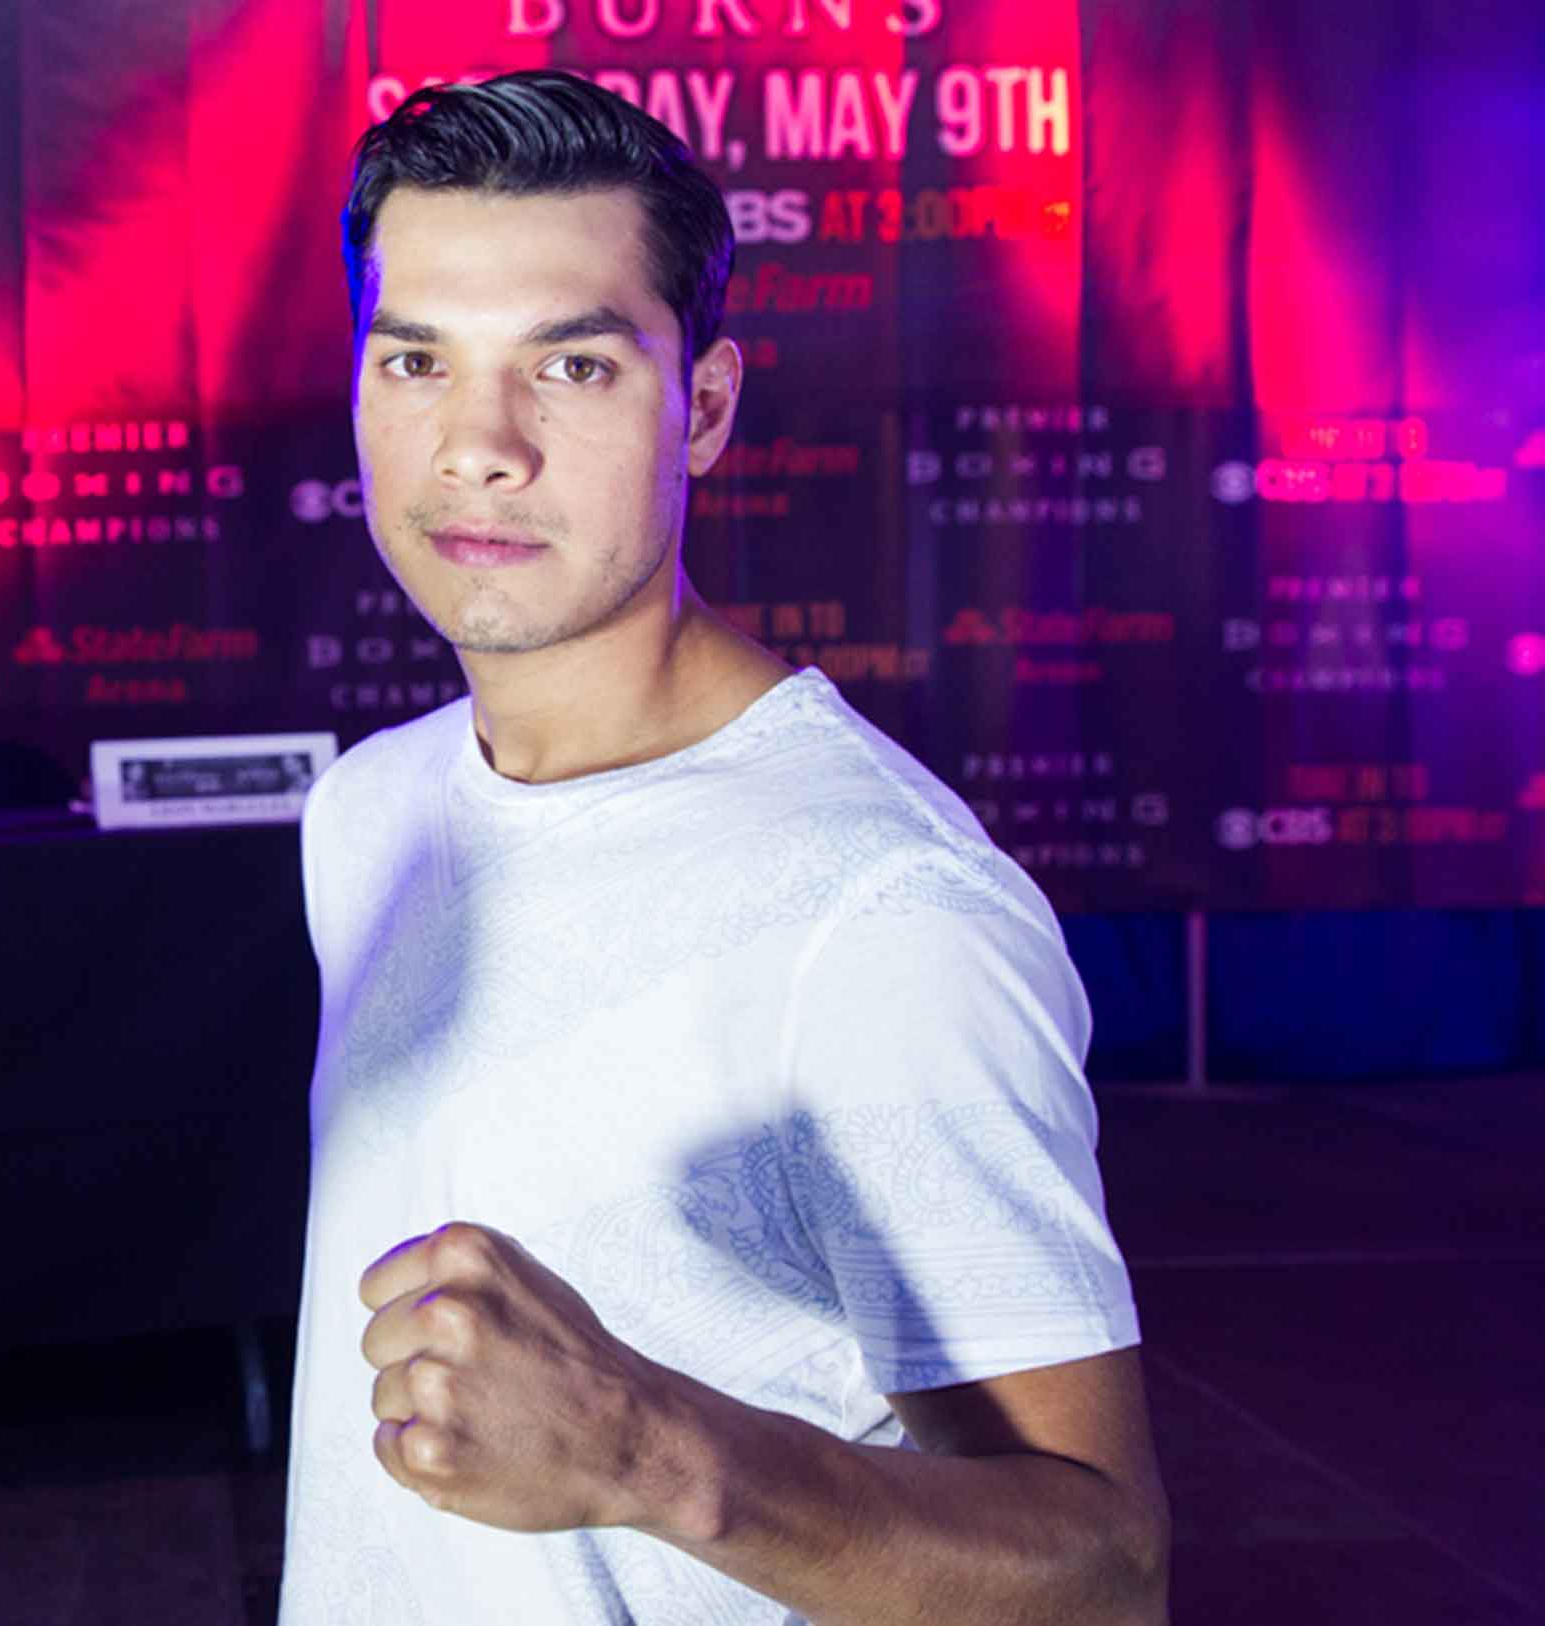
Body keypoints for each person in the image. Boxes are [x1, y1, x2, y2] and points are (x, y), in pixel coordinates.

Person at [278, 71, 1170, 1623]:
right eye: (417, 357)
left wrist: (647, 1448)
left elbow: (1102, 1574)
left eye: (571, 365)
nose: (477, 445)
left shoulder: (884, 909)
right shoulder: (369, 811)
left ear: (701, 405)